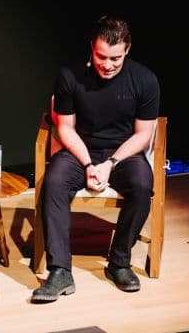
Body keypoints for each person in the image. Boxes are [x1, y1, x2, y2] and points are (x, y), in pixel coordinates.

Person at [32, 15, 160, 301]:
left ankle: (119, 262)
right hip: (81, 150)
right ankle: (60, 271)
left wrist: (110, 163)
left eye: (115, 57)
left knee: (142, 184)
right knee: (53, 182)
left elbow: (143, 135)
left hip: (123, 153)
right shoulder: (70, 75)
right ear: (92, 47)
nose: (108, 64)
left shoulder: (145, 80)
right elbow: (64, 127)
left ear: (127, 49)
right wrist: (89, 163)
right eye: (101, 56)